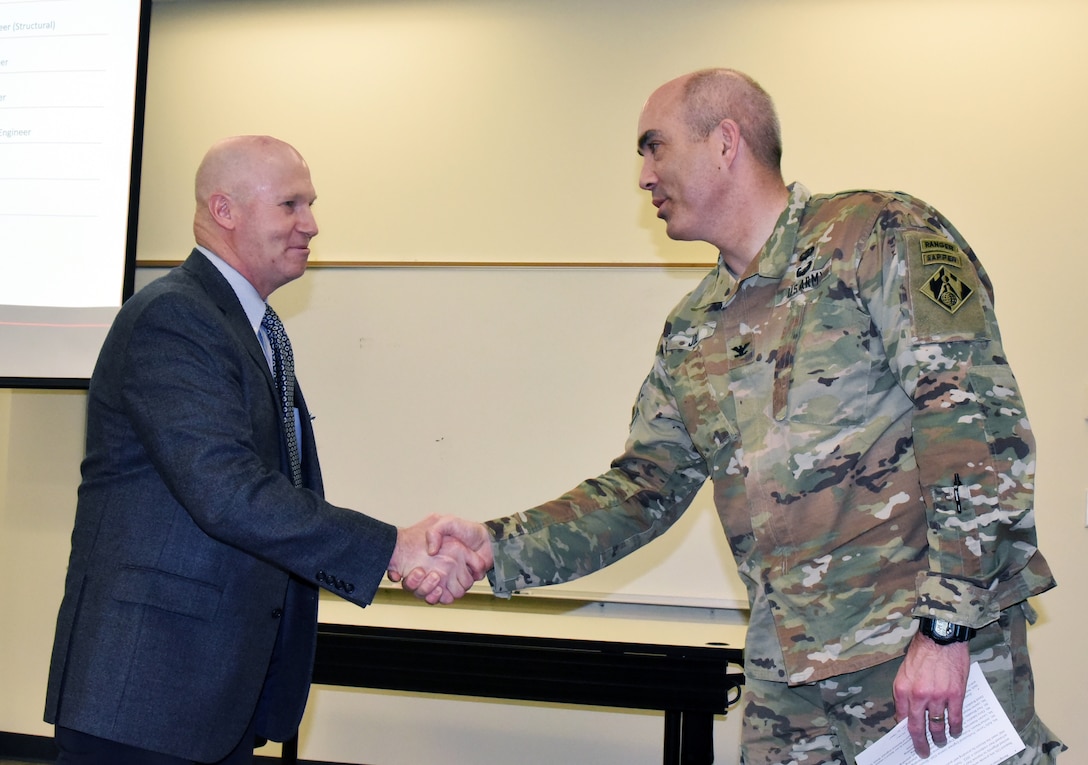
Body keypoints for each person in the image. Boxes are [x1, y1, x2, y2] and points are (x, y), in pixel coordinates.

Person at [405, 69, 1065, 764]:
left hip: (919, 669)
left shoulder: (876, 236)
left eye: (654, 147)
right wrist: (492, 545)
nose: (642, 176)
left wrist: (947, 627)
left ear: (725, 142)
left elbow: (973, 424)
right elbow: (640, 492)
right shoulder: (694, 326)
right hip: (789, 695)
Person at [44, 135, 485, 765]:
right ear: (225, 211)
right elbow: (229, 494)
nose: (311, 224)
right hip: (145, 697)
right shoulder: (173, 320)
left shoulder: (247, 327)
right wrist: (394, 547)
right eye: (290, 205)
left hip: (207, 699)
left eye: (309, 205)